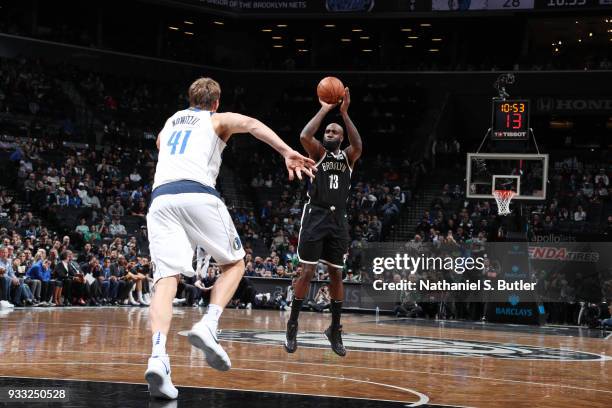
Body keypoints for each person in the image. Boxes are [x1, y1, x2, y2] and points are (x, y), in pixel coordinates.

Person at [144, 77, 316, 399]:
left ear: (189, 98)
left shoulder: (169, 124)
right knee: (235, 264)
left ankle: (158, 356)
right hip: (196, 192)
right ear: (216, 102)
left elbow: (160, 144)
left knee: (165, 280)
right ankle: (209, 324)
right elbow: (250, 124)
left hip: (160, 199)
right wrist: (287, 151)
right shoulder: (216, 119)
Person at [284, 87, 362, 357]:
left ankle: (335, 329)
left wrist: (345, 114)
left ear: (341, 138)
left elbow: (359, 145)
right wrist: (325, 109)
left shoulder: (348, 157)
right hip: (316, 215)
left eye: (334, 132)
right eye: (328, 132)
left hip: (337, 219)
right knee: (306, 272)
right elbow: (305, 135)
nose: (329, 134)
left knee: (336, 274)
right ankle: (292, 324)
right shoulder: (317, 152)